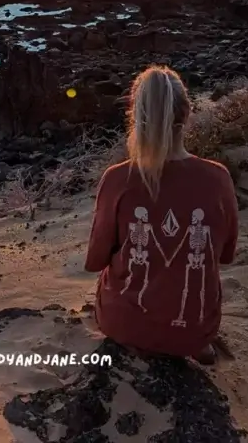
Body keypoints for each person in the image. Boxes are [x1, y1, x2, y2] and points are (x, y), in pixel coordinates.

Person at [85, 65, 238, 363]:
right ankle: (192, 342)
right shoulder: (218, 178)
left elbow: (94, 262)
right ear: (188, 112)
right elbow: (227, 254)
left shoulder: (117, 179)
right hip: (196, 329)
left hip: (123, 324)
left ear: (135, 117)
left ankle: (137, 332)